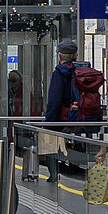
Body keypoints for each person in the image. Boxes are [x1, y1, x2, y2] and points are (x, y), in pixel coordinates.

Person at [38, 40, 82, 184]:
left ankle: (54, 174)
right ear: (75, 55)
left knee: (50, 142)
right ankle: (75, 165)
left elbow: (54, 99)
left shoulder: (59, 73)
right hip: (80, 116)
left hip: (61, 117)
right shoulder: (82, 71)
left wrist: (49, 122)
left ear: (60, 56)